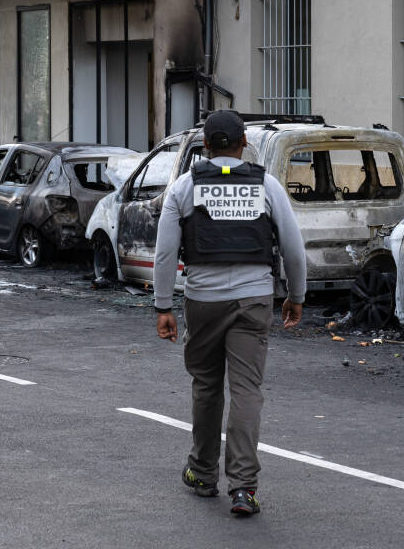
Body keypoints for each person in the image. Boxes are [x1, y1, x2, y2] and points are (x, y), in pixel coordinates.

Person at [152, 109, 306, 517]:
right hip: (255, 300)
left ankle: (202, 473)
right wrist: (296, 296)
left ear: (205, 146)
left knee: (206, 386)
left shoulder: (184, 187)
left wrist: (163, 305)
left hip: (202, 300)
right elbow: (293, 248)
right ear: (243, 145)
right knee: (246, 391)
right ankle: (243, 488)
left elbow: (166, 252)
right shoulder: (267, 186)